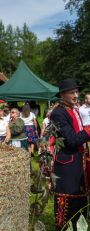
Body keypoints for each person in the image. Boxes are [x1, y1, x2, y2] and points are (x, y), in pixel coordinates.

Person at [50, 78, 90, 231]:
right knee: (67, 203)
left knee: (80, 202)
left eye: (77, 92)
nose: (75, 95)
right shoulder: (59, 113)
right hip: (68, 166)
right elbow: (72, 140)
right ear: (62, 94)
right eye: (71, 92)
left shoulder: (73, 109)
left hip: (79, 162)